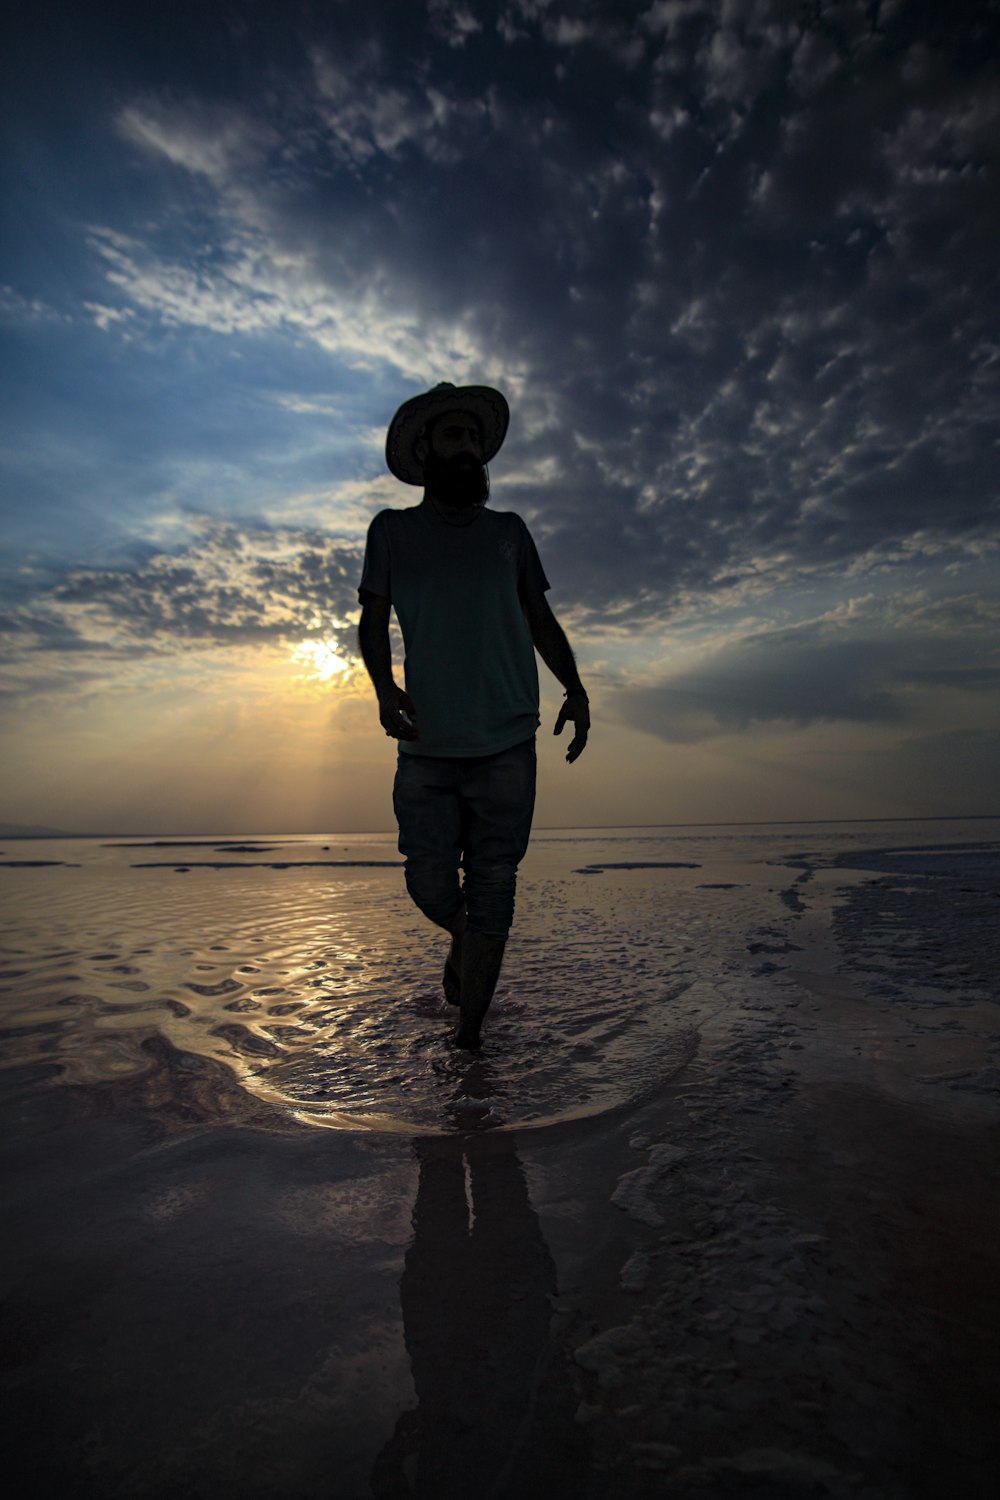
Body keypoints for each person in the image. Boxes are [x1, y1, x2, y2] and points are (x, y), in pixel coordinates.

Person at [357, 381, 590, 1049]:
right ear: (427, 449)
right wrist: (382, 688)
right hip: (428, 742)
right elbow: (372, 620)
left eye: (476, 441)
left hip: (508, 739)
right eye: (455, 438)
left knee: (496, 888)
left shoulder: (509, 534)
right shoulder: (393, 531)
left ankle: (469, 1041)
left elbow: (540, 617)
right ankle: (465, 937)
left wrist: (574, 688)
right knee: (429, 882)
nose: (469, 451)